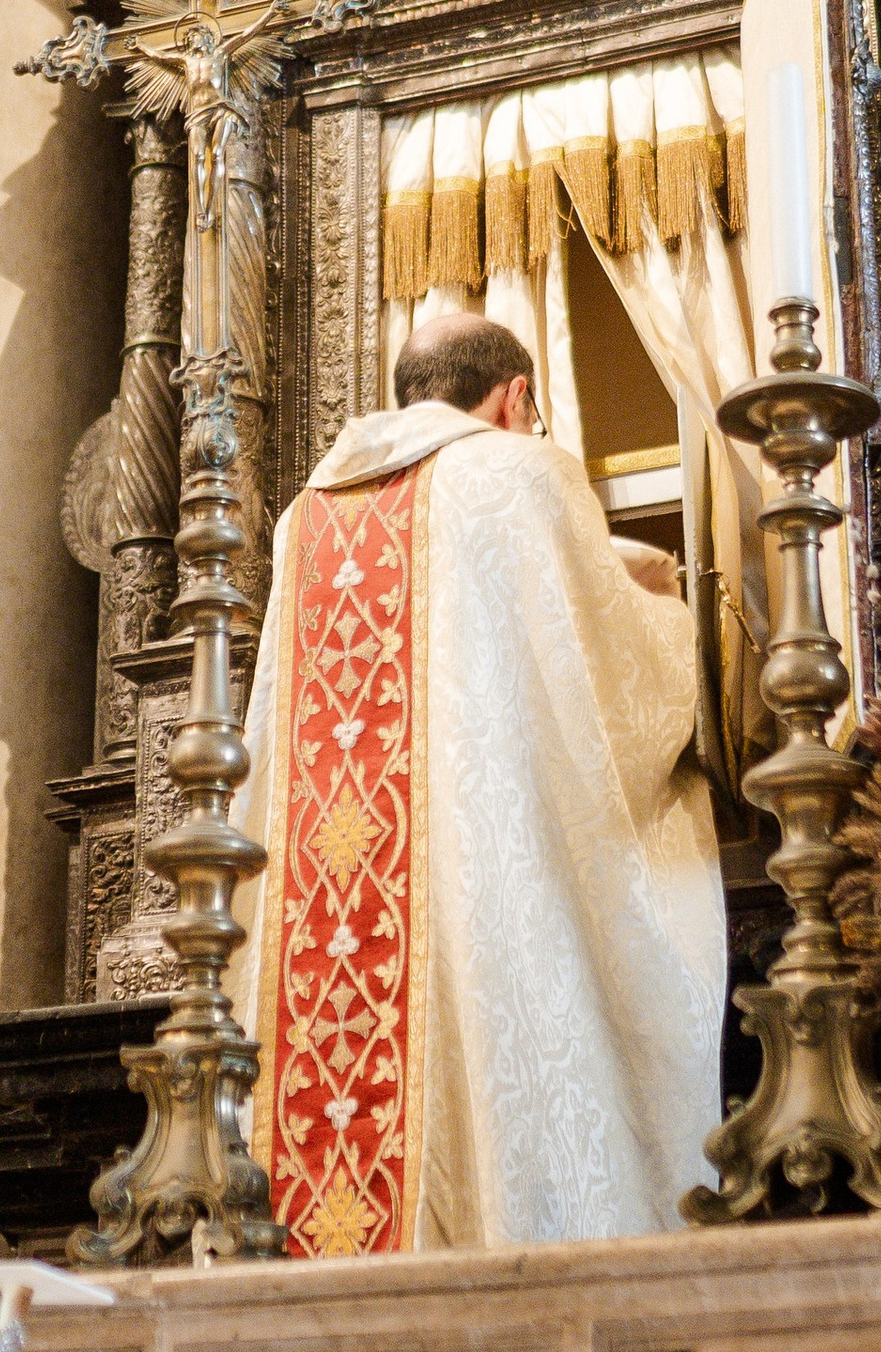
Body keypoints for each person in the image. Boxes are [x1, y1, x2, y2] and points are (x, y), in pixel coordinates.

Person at [234, 306, 725, 1258]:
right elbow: (621, 692)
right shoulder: (522, 471)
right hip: (492, 905)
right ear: (517, 399)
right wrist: (669, 604)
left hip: (327, 936)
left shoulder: (308, 517)